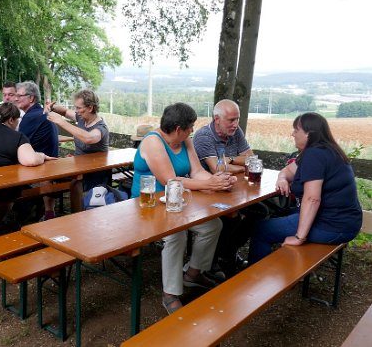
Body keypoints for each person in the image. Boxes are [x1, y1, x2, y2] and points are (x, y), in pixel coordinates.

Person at [131, 102, 236, 314]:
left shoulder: (184, 140)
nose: (193, 131)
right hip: (147, 205)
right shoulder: (153, 142)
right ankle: (170, 293)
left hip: (177, 202)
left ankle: (193, 274)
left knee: (212, 225)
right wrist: (209, 185)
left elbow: (197, 172)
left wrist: (219, 180)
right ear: (179, 128)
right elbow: (170, 180)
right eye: (191, 127)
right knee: (175, 235)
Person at [248, 112, 362, 263]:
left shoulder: (315, 155)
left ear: (309, 134)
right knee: (278, 213)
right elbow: (288, 171)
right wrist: (282, 178)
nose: (292, 134)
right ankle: (277, 268)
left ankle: (257, 280)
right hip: (344, 221)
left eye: (296, 130)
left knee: (261, 229)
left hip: (333, 226)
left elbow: (312, 199)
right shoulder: (323, 150)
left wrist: (299, 237)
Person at [192, 99, 263, 276]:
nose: (235, 124)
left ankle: (228, 251)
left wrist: (229, 159)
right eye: (231, 120)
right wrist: (238, 164)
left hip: (233, 188)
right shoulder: (203, 136)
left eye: (237, 119)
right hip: (208, 192)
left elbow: (251, 158)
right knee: (232, 215)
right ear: (217, 119)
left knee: (261, 211)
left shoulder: (235, 131)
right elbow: (216, 167)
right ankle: (217, 259)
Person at [47, 89, 111, 190]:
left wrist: (61, 122)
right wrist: (52, 107)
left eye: (78, 108)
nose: (76, 111)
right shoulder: (81, 118)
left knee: (74, 183)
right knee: (48, 175)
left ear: (90, 108)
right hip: (78, 167)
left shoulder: (101, 128)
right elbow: (64, 111)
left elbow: (88, 138)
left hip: (94, 174)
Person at [15, 81, 59, 220]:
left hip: (41, 167)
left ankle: (16, 213)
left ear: (31, 98)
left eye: (20, 96)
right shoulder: (41, 112)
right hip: (51, 163)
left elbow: (17, 143)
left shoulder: (31, 117)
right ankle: (47, 211)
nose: (16, 98)